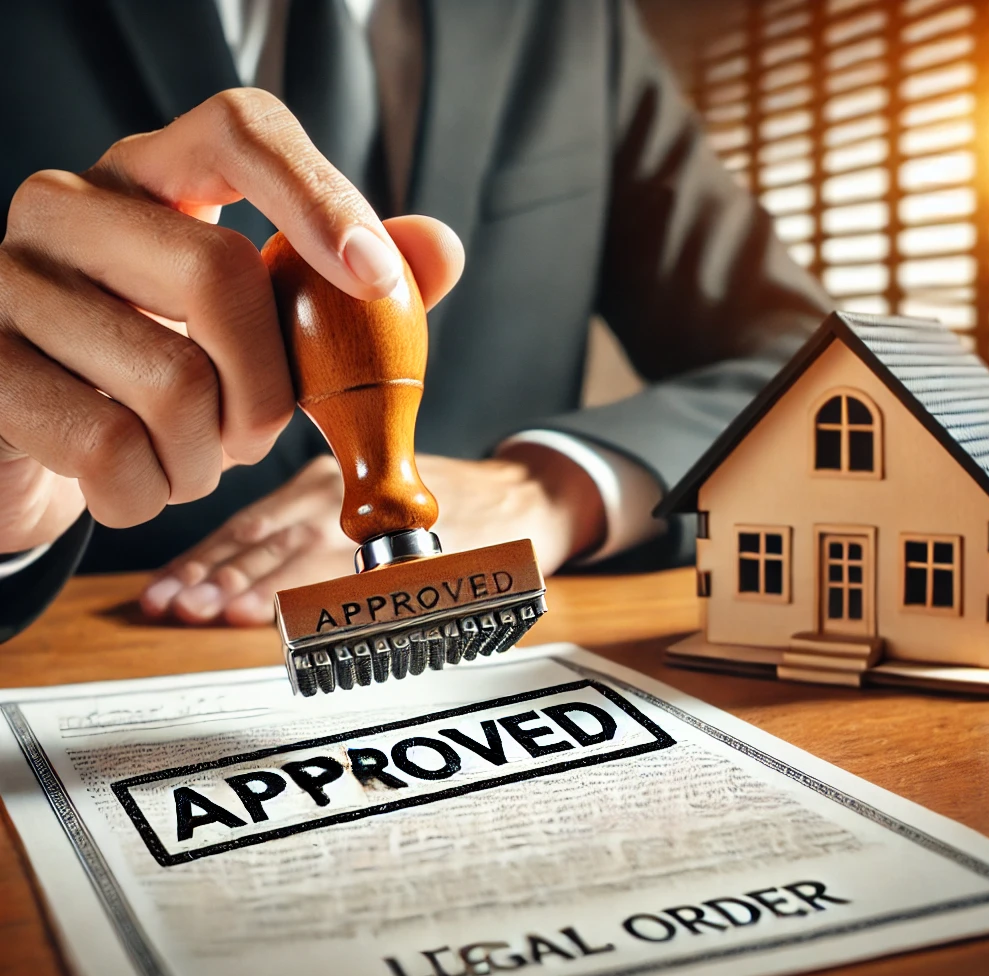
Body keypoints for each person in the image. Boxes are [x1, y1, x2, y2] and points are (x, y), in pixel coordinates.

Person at [0, 0, 829, 641]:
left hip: (497, 655)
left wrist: (550, 489)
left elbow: (817, 368)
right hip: (113, 643)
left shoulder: (573, 23)